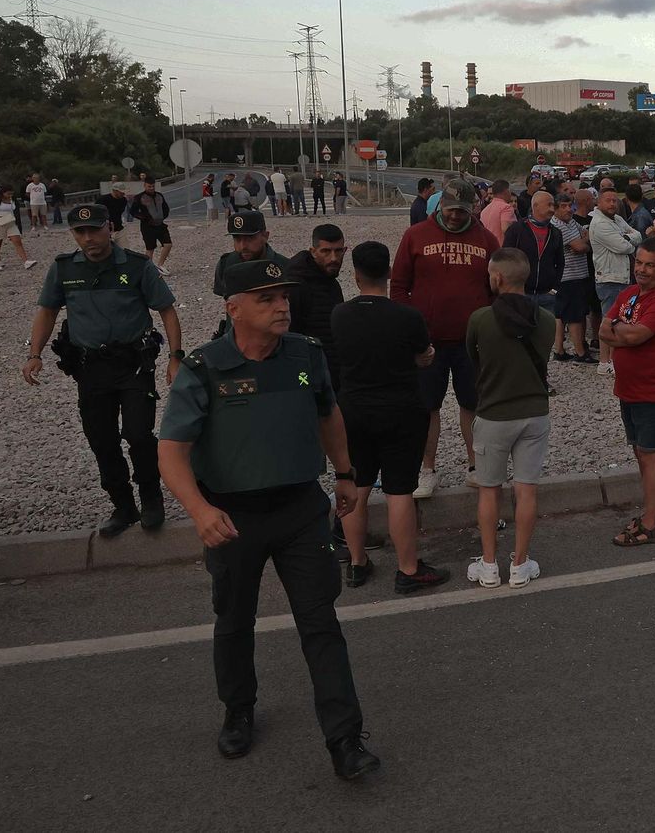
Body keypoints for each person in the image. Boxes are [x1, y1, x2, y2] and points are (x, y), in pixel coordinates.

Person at [157, 259, 380, 780]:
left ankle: (345, 740)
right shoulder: (205, 368)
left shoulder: (306, 354)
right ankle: (238, 710)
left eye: (284, 297)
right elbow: (171, 451)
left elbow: (328, 414)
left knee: (321, 623)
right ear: (233, 309)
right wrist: (200, 510)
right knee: (235, 620)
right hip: (234, 517)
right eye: (267, 299)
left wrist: (345, 473)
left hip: (300, 510)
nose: (282, 307)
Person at [22, 202, 182, 534]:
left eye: (94, 230)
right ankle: (123, 507)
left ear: (109, 227)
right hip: (91, 369)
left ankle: (151, 499)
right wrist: (34, 354)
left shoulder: (137, 266)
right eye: (80, 232)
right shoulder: (64, 269)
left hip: (134, 365)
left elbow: (166, 309)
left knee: (138, 434)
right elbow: (48, 311)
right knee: (101, 439)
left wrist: (175, 357)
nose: (88, 238)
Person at [328, 241, 444, 590]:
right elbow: (424, 355)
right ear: (389, 272)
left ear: (355, 275)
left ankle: (357, 562)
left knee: (356, 487)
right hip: (400, 409)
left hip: (354, 409)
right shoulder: (407, 316)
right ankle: (408, 569)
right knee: (399, 490)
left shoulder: (340, 315)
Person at [392, 178, 501, 498]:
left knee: (473, 403)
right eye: (451, 209)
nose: (455, 216)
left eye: (462, 211)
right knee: (428, 406)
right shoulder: (415, 235)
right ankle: (427, 470)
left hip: (471, 342)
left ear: (473, 209)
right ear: (440, 205)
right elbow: (398, 287)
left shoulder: (486, 239)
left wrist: (489, 327)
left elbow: (497, 289)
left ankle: (476, 466)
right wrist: (412, 331)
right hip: (428, 343)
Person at [465, 247, 556, 586]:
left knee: (489, 490)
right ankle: (520, 562)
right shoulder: (546, 320)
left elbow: (473, 359)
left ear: (498, 277)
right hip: (534, 412)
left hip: (493, 413)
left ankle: (489, 564)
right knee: (526, 489)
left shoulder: (480, 319)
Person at [601, 238, 655, 546]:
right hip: (630, 389)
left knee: (650, 455)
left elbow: (635, 335)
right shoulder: (629, 294)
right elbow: (603, 330)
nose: (642, 270)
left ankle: (649, 525)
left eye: (650, 265)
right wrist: (621, 332)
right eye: (639, 262)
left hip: (654, 391)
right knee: (640, 451)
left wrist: (619, 331)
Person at [587, 186, 644, 375]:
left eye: (614, 200)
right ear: (599, 202)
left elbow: (638, 235)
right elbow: (624, 247)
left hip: (623, 277)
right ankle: (604, 362)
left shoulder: (617, 219)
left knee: (621, 320)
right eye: (608, 200)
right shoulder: (600, 224)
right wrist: (627, 239)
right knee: (609, 321)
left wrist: (626, 237)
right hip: (610, 279)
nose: (612, 204)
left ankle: (615, 359)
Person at [286, 224, 347, 390]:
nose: (333, 258)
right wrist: (303, 381)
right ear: (313, 252)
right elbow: (290, 337)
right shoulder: (296, 286)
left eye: (338, 251)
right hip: (307, 375)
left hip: (331, 374)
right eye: (326, 251)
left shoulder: (331, 282)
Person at [547, 193, 596, 363]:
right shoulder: (557, 226)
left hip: (577, 274)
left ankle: (559, 350)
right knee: (575, 315)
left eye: (570, 206)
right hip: (568, 276)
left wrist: (583, 241)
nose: (568, 209)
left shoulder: (571, 222)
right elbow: (580, 247)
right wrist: (584, 244)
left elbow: (587, 234)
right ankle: (580, 353)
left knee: (562, 314)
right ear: (555, 208)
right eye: (563, 206)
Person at [501, 190, 564, 316]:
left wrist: (554, 289)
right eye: (549, 205)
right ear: (535, 206)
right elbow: (505, 259)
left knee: (546, 328)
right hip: (521, 294)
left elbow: (560, 262)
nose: (552, 209)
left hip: (547, 296)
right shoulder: (517, 230)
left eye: (553, 205)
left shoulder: (556, 233)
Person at [213, 211, 290, 299]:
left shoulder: (284, 266)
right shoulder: (225, 264)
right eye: (237, 239)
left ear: (265, 236)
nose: (243, 246)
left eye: (249, 239)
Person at [130, 175, 174, 276]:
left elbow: (165, 208)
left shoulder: (159, 195)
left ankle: (160, 265)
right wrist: (144, 218)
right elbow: (133, 211)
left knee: (168, 244)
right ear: (145, 186)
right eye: (149, 186)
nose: (151, 188)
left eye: (153, 186)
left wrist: (163, 216)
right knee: (150, 248)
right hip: (147, 227)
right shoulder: (139, 197)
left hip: (160, 225)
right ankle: (148, 269)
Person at [0, 185, 36, 271]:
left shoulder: (13, 200)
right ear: (3, 193)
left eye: (11, 194)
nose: (10, 195)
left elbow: (16, 212)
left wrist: (19, 226)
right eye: (8, 194)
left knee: (18, 241)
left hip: (11, 222)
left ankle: (26, 261)